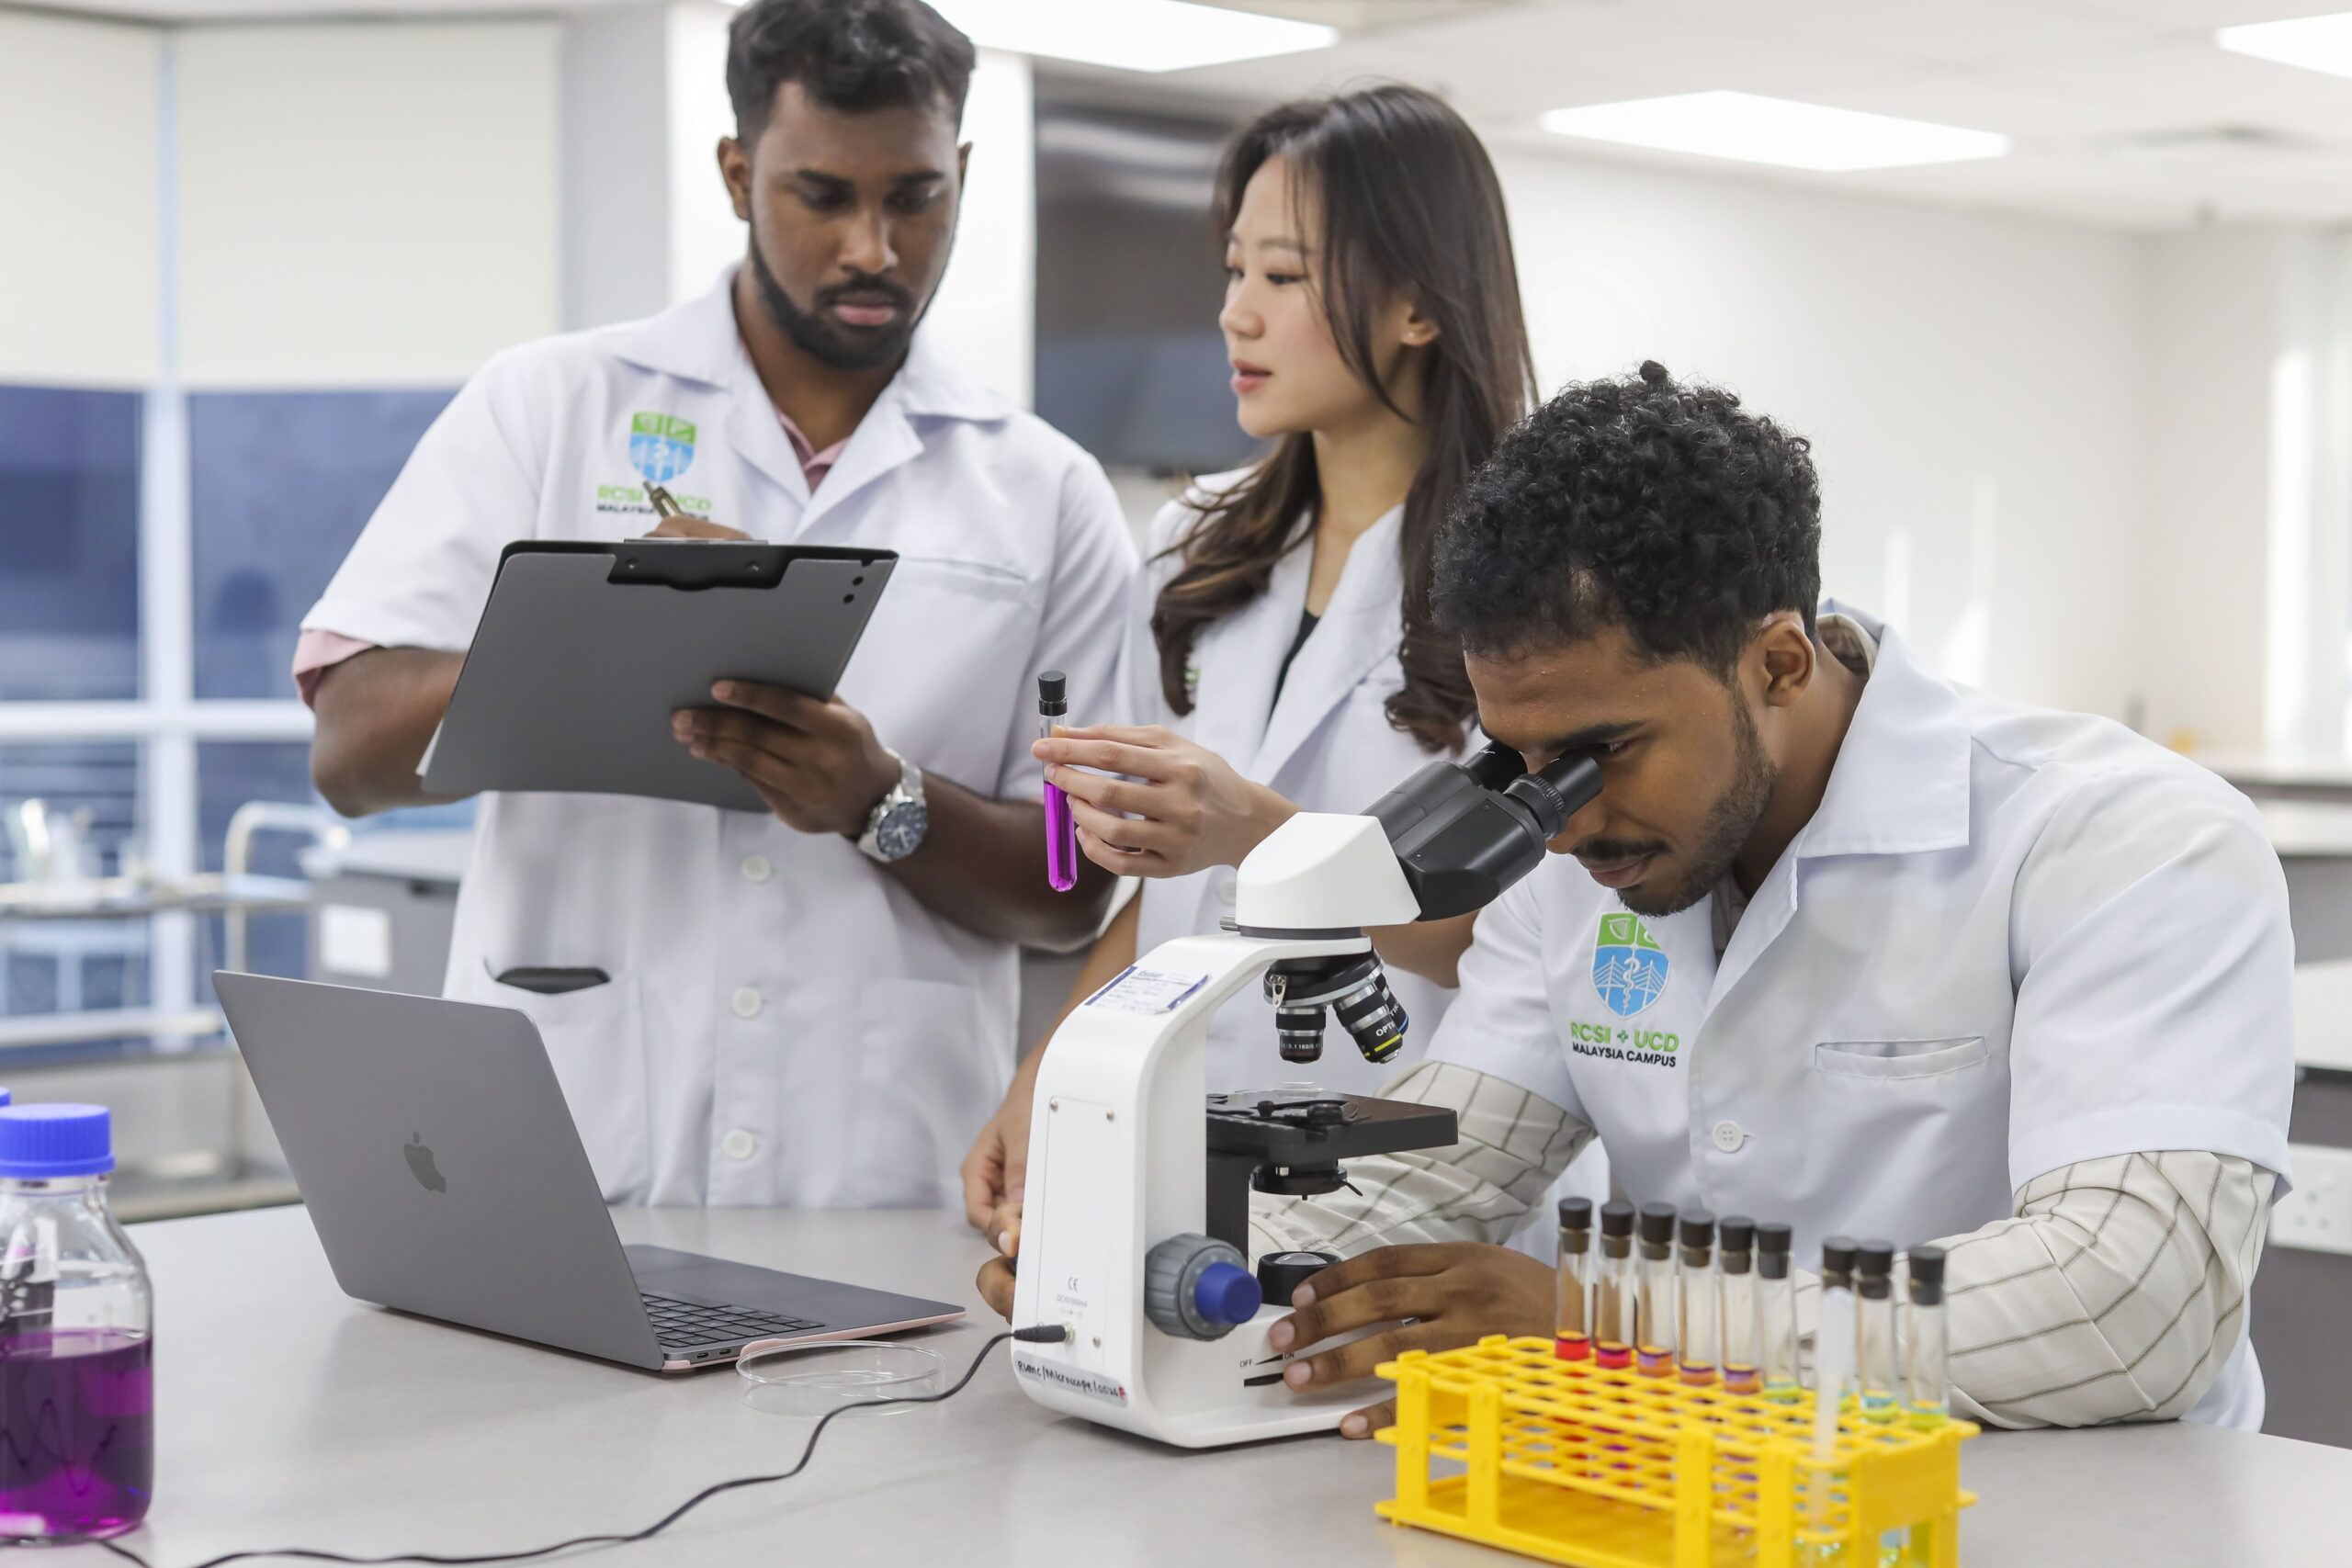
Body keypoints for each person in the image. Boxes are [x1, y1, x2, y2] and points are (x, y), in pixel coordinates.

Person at [982, 362, 2293, 1439]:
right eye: (1521, 761)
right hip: (1711, 1485)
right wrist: (1124, 1263)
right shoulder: (1577, 858)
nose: (1562, 818)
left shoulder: (2121, 837)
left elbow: (2134, 1309)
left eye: (1601, 752)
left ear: (1777, 657)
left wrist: (1606, 1320)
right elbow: (1436, 1174)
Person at [297, 0, 1128, 1207]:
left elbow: (1072, 883)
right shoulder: (550, 404)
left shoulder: (1044, 490)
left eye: (915, 196)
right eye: (821, 195)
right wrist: (591, 622)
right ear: (739, 175)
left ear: (964, 175)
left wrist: (875, 798)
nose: (873, 249)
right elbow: (351, 750)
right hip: (568, 1156)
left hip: (879, 1171)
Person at [957, 84, 1539, 1232]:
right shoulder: (1194, 549)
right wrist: (1055, 1070)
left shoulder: (1535, 581)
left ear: (1419, 306)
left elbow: (1527, 946)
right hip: (1192, 1134)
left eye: (1282, 277)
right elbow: (1153, 890)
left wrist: (1267, 838)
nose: (1234, 314)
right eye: (1234, 273)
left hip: (1422, 1161)